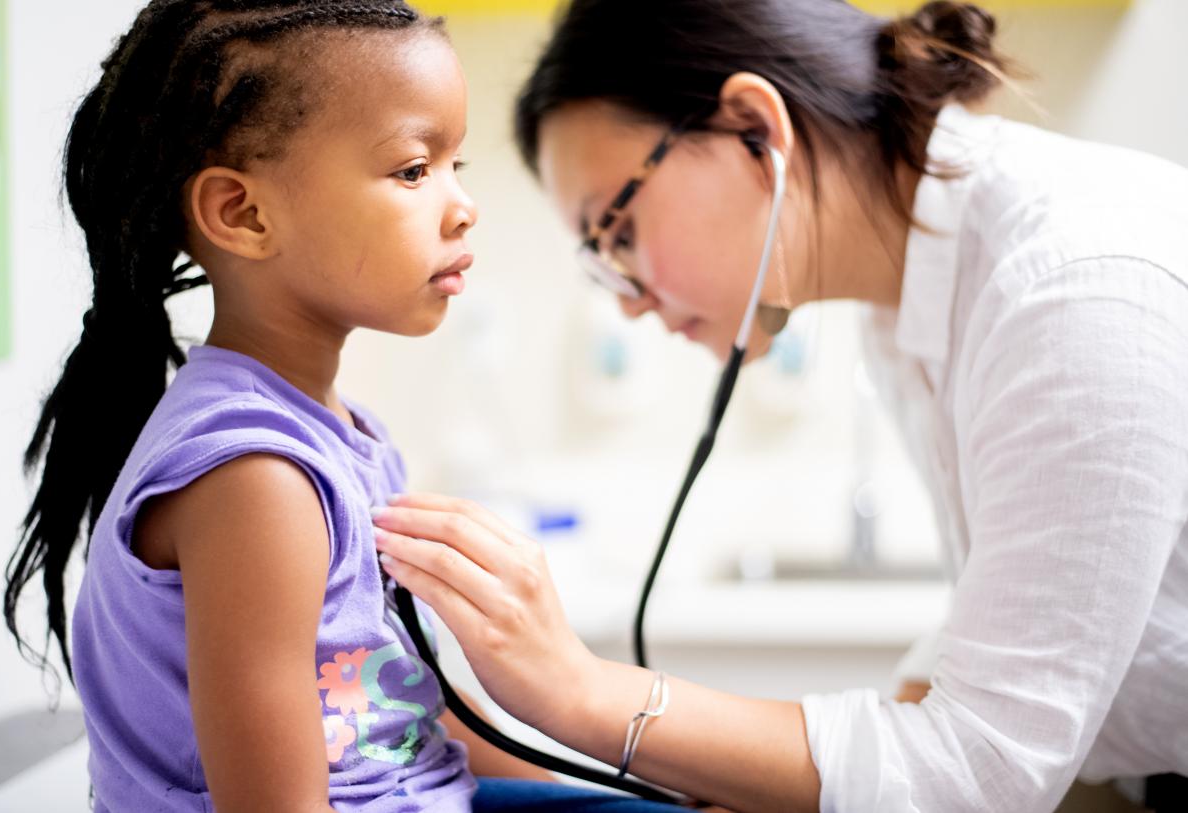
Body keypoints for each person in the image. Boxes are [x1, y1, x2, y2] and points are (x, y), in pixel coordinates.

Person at [370, 1, 1188, 811]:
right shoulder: (908, 304)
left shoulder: (1075, 284)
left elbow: (980, 774)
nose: (626, 302)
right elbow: (1017, 634)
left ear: (754, 129)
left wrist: (579, 691)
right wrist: (771, 783)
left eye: (615, 234)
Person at [0, 1, 643, 810]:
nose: (461, 205)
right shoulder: (256, 477)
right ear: (244, 213)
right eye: (414, 169)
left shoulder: (345, 435)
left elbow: (416, 700)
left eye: (456, 167)